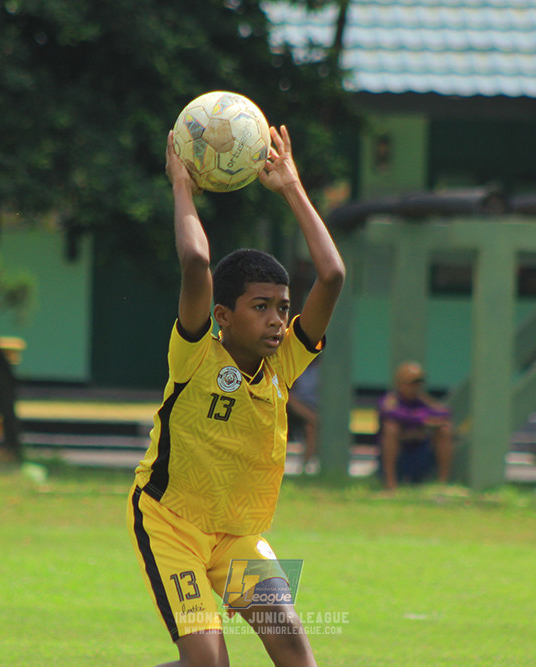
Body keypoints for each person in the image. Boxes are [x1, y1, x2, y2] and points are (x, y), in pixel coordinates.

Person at [127, 124, 345, 667]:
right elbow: (198, 264)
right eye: (261, 306)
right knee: (210, 665)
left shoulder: (283, 362)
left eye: (282, 307)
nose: (277, 320)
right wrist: (181, 184)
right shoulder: (197, 352)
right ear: (223, 316)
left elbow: (333, 274)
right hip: (171, 523)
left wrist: (292, 187)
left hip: (239, 534)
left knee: (295, 647)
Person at [377, 360, 453, 491]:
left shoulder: (422, 400)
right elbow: (390, 413)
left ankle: (443, 482)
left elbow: (445, 412)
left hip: (421, 452)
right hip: (400, 455)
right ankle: (390, 484)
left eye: (418, 383)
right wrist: (422, 420)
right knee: (391, 428)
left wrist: (426, 419)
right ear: (400, 383)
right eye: (411, 383)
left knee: (444, 429)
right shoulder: (391, 400)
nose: (415, 387)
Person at [287, 358, 320, 474]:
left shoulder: (321, 369)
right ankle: (314, 419)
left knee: (311, 427)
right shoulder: (296, 366)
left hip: (315, 407)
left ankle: (304, 466)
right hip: (295, 406)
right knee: (290, 399)